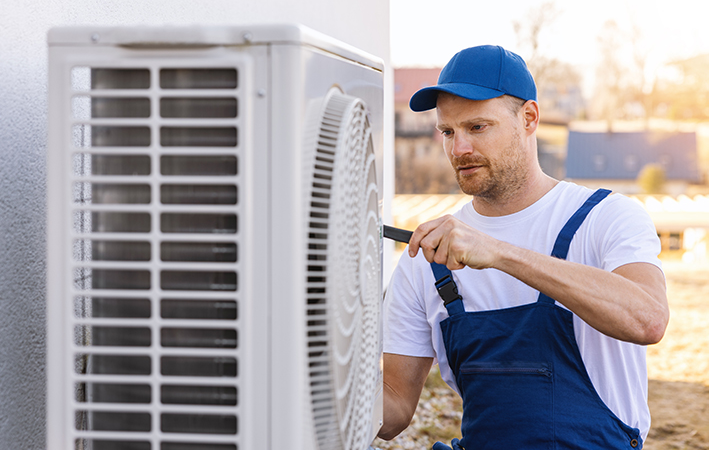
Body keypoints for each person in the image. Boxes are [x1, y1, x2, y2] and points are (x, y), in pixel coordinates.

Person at [378, 45, 669, 449]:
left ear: (529, 118)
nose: (459, 149)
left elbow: (648, 319)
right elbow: (393, 407)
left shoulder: (605, 217)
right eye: (448, 131)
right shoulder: (426, 257)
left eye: (477, 127)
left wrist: (500, 253)